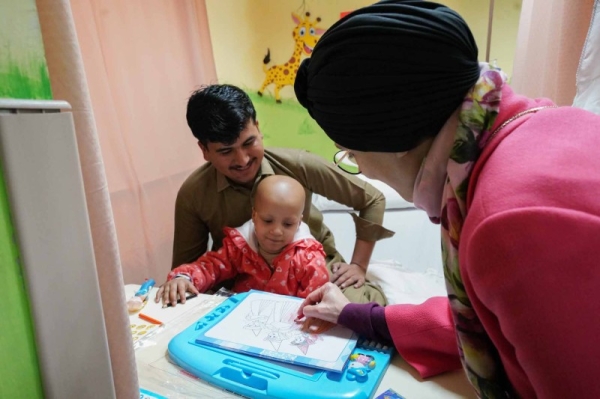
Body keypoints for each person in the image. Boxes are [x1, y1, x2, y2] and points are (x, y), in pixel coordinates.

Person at [293, 1, 600, 398]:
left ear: (389, 140)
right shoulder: (551, 124)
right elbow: (490, 322)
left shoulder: (507, 223)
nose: (362, 170)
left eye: (351, 155)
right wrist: (356, 314)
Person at [169, 83, 395, 306]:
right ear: (204, 150)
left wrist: (358, 265)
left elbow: (372, 199)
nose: (243, 160)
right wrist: (183, 281)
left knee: (353, 312)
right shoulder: (194, 194)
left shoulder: (298, 165)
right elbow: (188, 271)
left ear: (258, 128)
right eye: (226, 151)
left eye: (249, 143)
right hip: (241, 280)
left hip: (310, 270)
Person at [156, 175, 329, 306]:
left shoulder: (309, 258)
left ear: (299, 222)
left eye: (288, 224)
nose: (277, 231)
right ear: (254, 215)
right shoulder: (240, 246)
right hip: (240, 318)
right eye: (268, 221)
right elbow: (211, 267)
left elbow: (316, 304)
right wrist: (184, 278)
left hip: (287, 327)